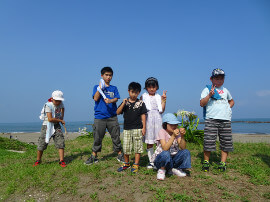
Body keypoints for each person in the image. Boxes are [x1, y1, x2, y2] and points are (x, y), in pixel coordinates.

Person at [85, 67, 124, 165]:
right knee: (97, 137)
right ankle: (94, 156)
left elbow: (116, 98)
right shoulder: (96, 87)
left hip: (112, 117)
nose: (108, 77)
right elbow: (95, 98)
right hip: (99, 117)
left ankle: (120, 154)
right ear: (102, 76)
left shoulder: (113, 88)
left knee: (116, 136)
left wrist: (110, 100)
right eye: (106, 75)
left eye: (110, 75)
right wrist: (100, 88)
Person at [200, 68, 235, 172]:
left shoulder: (226, 90)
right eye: (217, 78)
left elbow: (232, 101)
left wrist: (228, 108)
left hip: (225, 120)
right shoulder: (207, 89)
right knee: (209, 141)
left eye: (221, 78)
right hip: (211, 119)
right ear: (211, 79)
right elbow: (202, 103)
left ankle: (223, 163)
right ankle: (206, 162)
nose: (219, 80)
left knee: (226, 142)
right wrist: (210, 95)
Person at [116, 82, 147, 173]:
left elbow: (143, 116)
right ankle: (126, 163)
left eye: (136, 92)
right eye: (132, 92)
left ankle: (136, 164)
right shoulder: (125, 102)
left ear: (139, 92)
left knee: (138, 147)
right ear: (128, 91)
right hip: (127, 128)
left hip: (138, 128)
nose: (134, 94)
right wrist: (123, 103)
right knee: (126, 147)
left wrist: (144, 127)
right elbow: (117, 112)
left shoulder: (141, 103)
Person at [152, 113, 191, 180]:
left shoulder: (177, 133)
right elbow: (165, 148)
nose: (174, 126)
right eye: (171, 124)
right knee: (166, 153)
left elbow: (183, 147)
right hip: (161, 159)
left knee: (186, 152)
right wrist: (173, 136)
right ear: (165, 124)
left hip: (172, 158)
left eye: (175, 124)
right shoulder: (162, 132)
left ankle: (175, 168)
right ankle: (162, 170)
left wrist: (182, 136)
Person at [33, 90, 66, 167]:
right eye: (56, 101)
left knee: (60, 142)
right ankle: (38, 160)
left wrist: (61, 117)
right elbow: (50, 119)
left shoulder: (61, 104)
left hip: (57, 125)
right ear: (52, 99)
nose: (58, 102)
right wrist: (61, 120)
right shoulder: (48, 105)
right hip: (47, 126)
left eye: (59, 101)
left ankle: (61, 160)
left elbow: (63, 108)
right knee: (42, 143)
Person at [141, 77, 167, 169]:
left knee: (159, 141)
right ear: (146, 87)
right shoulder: (143, 96)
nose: (152, 89)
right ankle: (151, 161)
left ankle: (158, 160)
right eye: (149, 87)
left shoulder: (159, 97)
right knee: (150, 140)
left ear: (157, 87)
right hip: (148, 120)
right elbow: (141, 111)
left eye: (154, 87)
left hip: (158, 120)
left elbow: (162, 110)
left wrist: (164, 100)